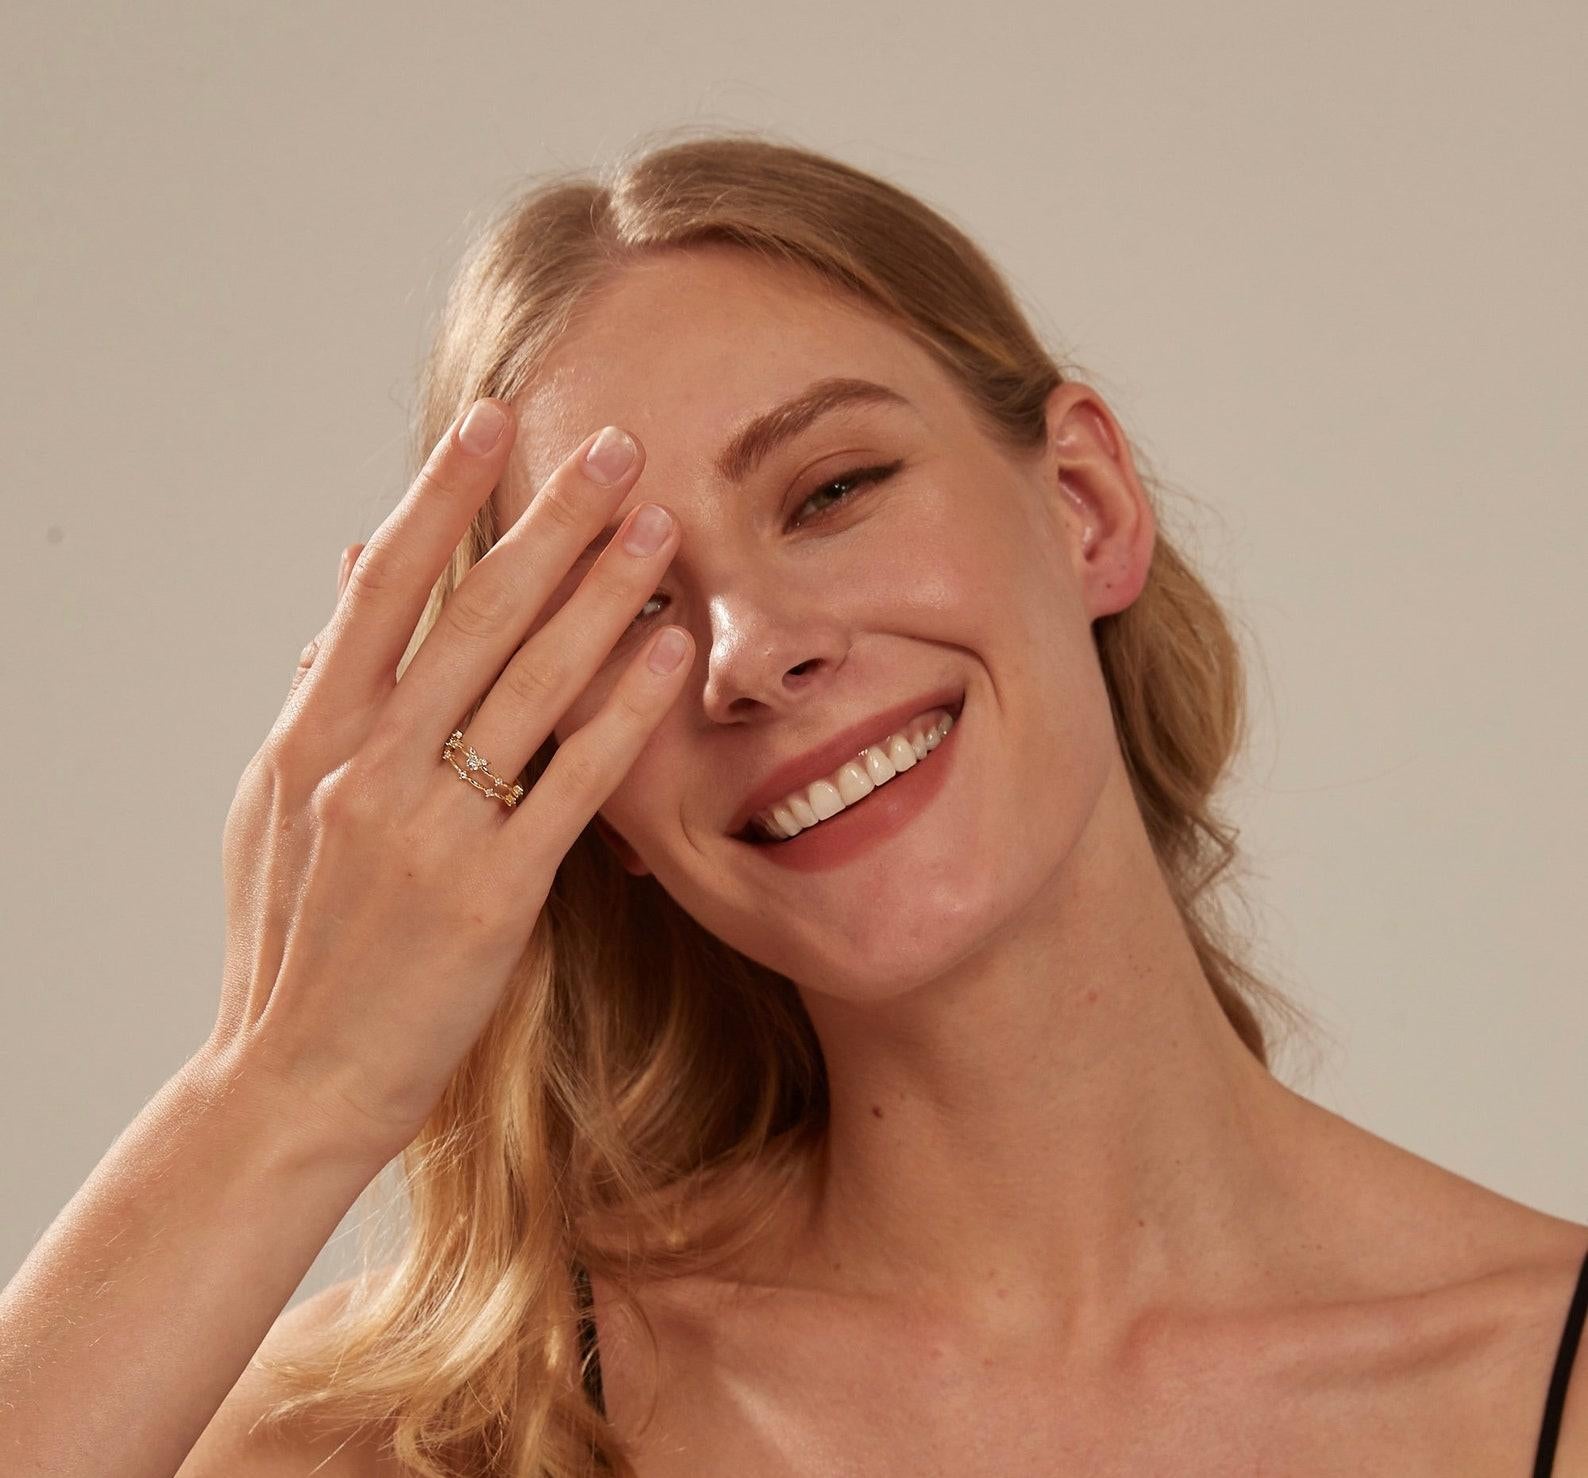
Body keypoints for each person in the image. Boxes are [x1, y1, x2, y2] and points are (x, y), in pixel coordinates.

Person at [2, 131, 1584, 1478]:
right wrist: (279, 1085)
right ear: (580, 784)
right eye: (625, 612)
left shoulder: (1540, 1379)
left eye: (830, 491)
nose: (751, 655)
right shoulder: (446, 1423)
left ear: (1085, 505)